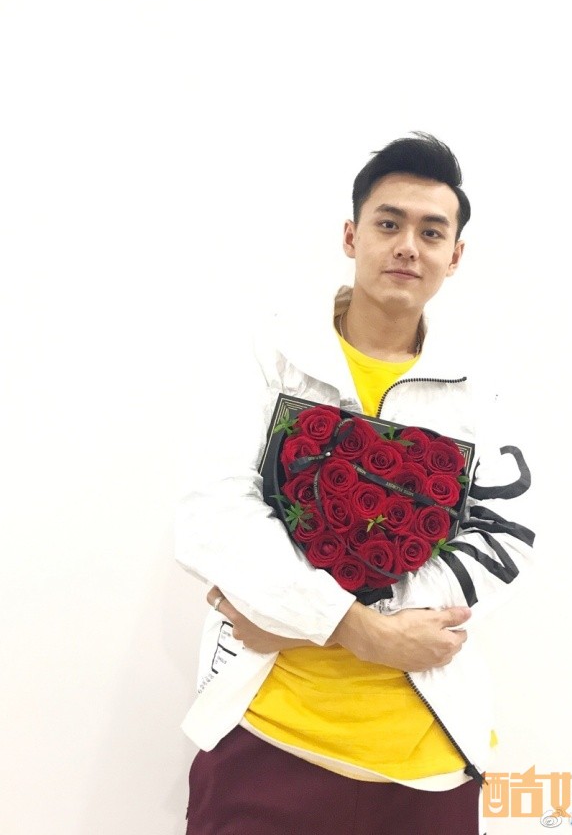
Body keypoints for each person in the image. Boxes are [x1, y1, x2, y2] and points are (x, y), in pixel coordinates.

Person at [175, 132, 535, 835]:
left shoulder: (479, 394)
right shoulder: (273, 356)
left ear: (455, 255)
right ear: (352, 235)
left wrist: (304, 623)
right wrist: (358, 631)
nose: (408, 247)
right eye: (389, 223)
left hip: (428, 765)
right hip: (267, 741)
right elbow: (213, 514)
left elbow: (505, 538)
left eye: (431, 232)